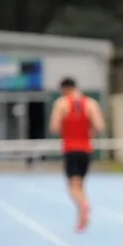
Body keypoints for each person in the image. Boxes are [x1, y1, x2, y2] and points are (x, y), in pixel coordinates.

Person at [48, 77, 105, 232]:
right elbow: (100, 126)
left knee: (72, 186)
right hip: (86, 148)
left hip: (71, 148)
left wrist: (65, 128)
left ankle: (83, 206)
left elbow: (53, 127)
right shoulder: (91, 103)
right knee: (81, 185)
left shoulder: (61, 103)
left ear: (64, 89)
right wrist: (89, 131)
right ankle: (81, 220)